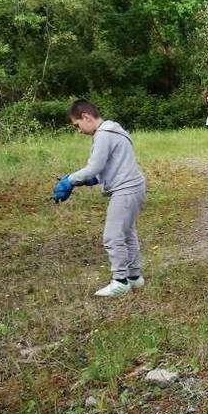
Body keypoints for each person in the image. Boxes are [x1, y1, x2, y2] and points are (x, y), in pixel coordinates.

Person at [52, 99, 147, 298]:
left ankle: (120, 281)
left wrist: (69, 180)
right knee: (127, 233)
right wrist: (87, 181)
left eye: (77, 125)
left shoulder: (103, 134)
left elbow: (94, 167)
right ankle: (134, 276)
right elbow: (110, 166)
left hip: (126, 190)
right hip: (134, 187)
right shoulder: (114, 130)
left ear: (86, 117)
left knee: (112, 236)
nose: (78, 130)